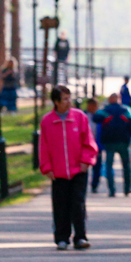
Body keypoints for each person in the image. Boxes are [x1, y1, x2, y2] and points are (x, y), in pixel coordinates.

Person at [38, 84, 98, 250]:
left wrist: (86, 161)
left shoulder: (79, 117)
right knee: (60, 205)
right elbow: (44, 146)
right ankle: (62, 237)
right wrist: (46, 167)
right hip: (58, 173)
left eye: (69, 97)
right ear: (56, 102)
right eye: (65, 99)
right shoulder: (47, 121)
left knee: (78, 204)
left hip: (79, 170)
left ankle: (80, 236)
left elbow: (89, 141)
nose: (68, 101)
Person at [92, 93, 131, 196]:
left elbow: (95, 118)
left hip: (109, 142)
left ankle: (112, 191)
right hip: (123, 141)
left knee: (109, 166)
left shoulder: (105, 110)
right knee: (126, 166)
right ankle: (126, 189)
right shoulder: (127, 109)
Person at [83, 96, 104, 194]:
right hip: (84, 146)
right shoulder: (82, 115)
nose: (94, 108)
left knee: (97, 167)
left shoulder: (100, 116)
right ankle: (83, 184)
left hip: (97, 145)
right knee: (84, 166)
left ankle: (94, 185)